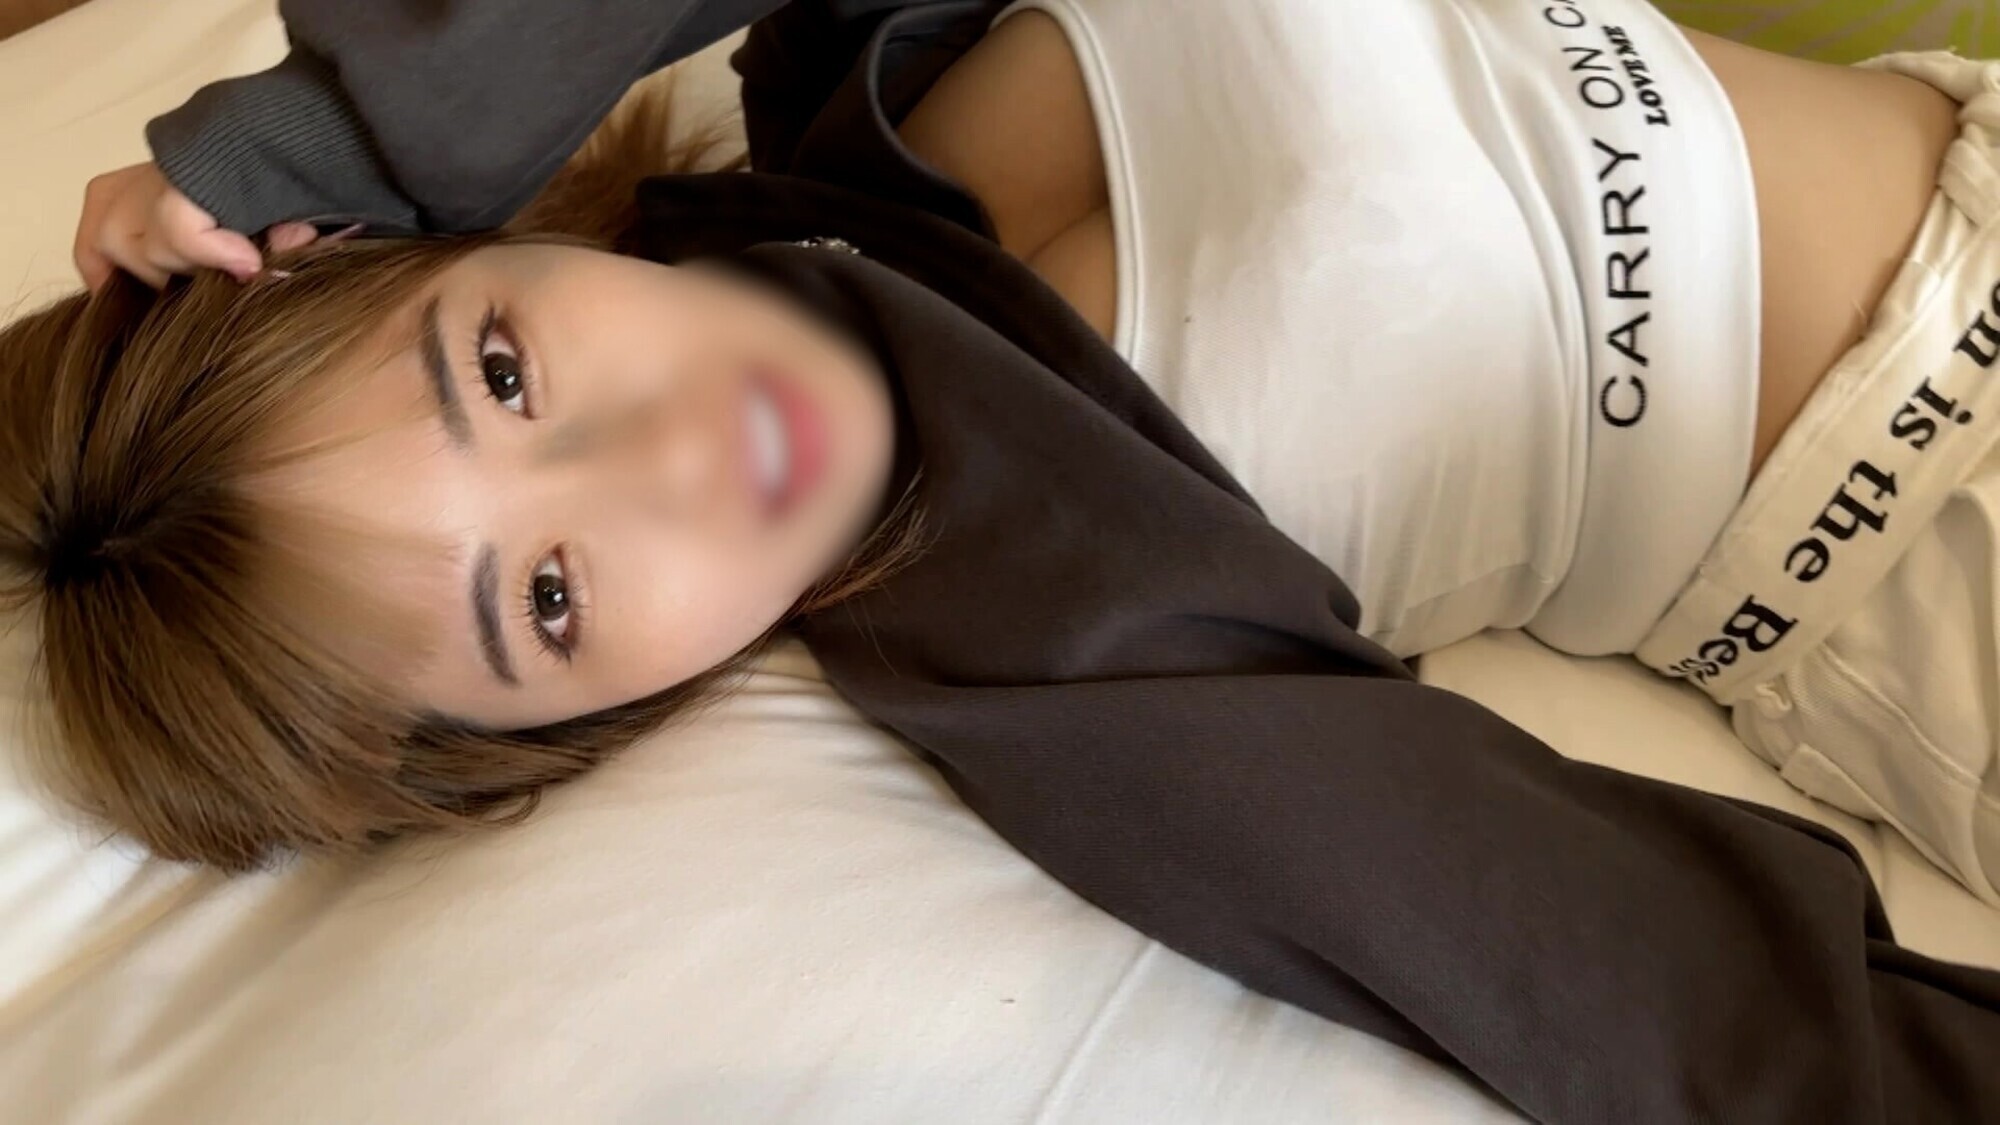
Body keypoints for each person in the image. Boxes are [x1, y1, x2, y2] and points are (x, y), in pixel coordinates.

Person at [9, 0, 2000, 1118]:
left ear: (444, 237)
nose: (664, 464)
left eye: (505, 370)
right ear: (567, 722)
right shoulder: (1030, 614)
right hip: (1931, 547)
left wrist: (327, 129)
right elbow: (1619, 971)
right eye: (546, 597)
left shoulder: (845, 78)